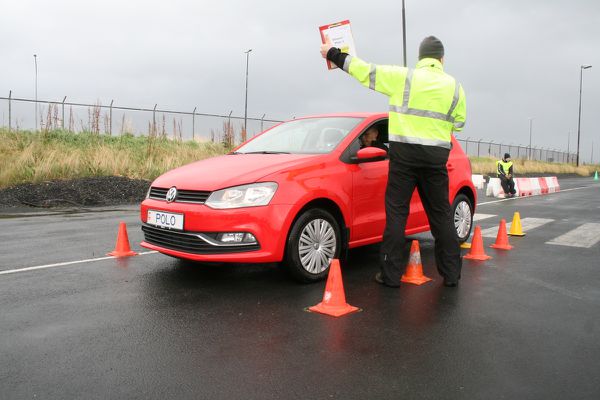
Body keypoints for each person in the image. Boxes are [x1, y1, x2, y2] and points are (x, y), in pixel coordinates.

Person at [320, 35, 466, 288]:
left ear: (420, 57)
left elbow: (364, 71)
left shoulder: (404, 77)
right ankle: (451, 275)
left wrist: (332, 52)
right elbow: (459, 125)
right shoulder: (455, 87)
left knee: (397, 214)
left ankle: (390, 276)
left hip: (404, 158)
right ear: (441, 59)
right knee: (441, 216)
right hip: (435, 160)